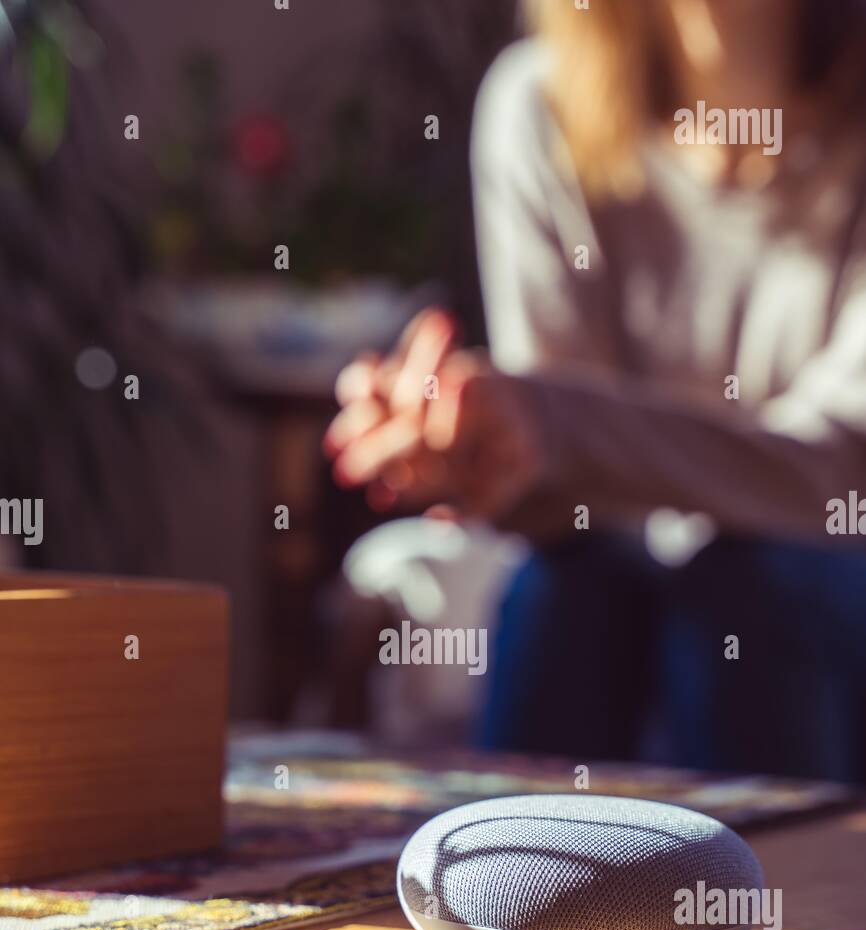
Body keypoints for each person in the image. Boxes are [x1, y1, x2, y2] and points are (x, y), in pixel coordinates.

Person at [325, 0, 866, 781]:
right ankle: (502, 890)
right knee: (566, 588)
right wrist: (479, 449)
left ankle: (773, 900)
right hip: (613, 577)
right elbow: (568, 496)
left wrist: (551, 421)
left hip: (823, 589)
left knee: (748, 587)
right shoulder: (540, 107)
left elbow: (848, 470)